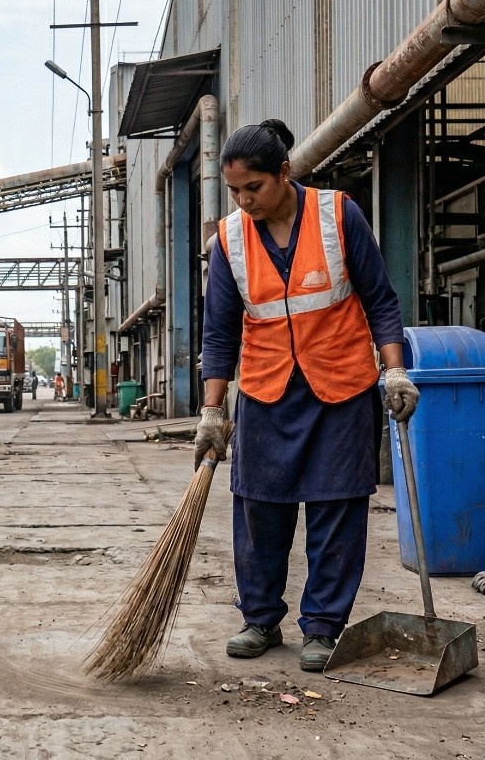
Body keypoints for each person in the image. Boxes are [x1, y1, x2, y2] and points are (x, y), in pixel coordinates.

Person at [194, 120, 419, 673]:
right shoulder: (230, 240)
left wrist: (394, 372)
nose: (244, 201)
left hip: (341, 389)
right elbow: (219, 332)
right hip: (266, 391)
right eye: (235, 192)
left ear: (284, 173)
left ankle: (323, 626)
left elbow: (380, 299)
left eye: (254, 188)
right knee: (259, 510)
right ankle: (260, 619)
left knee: (336, 507)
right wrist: (212, 410)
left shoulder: (338, 215)